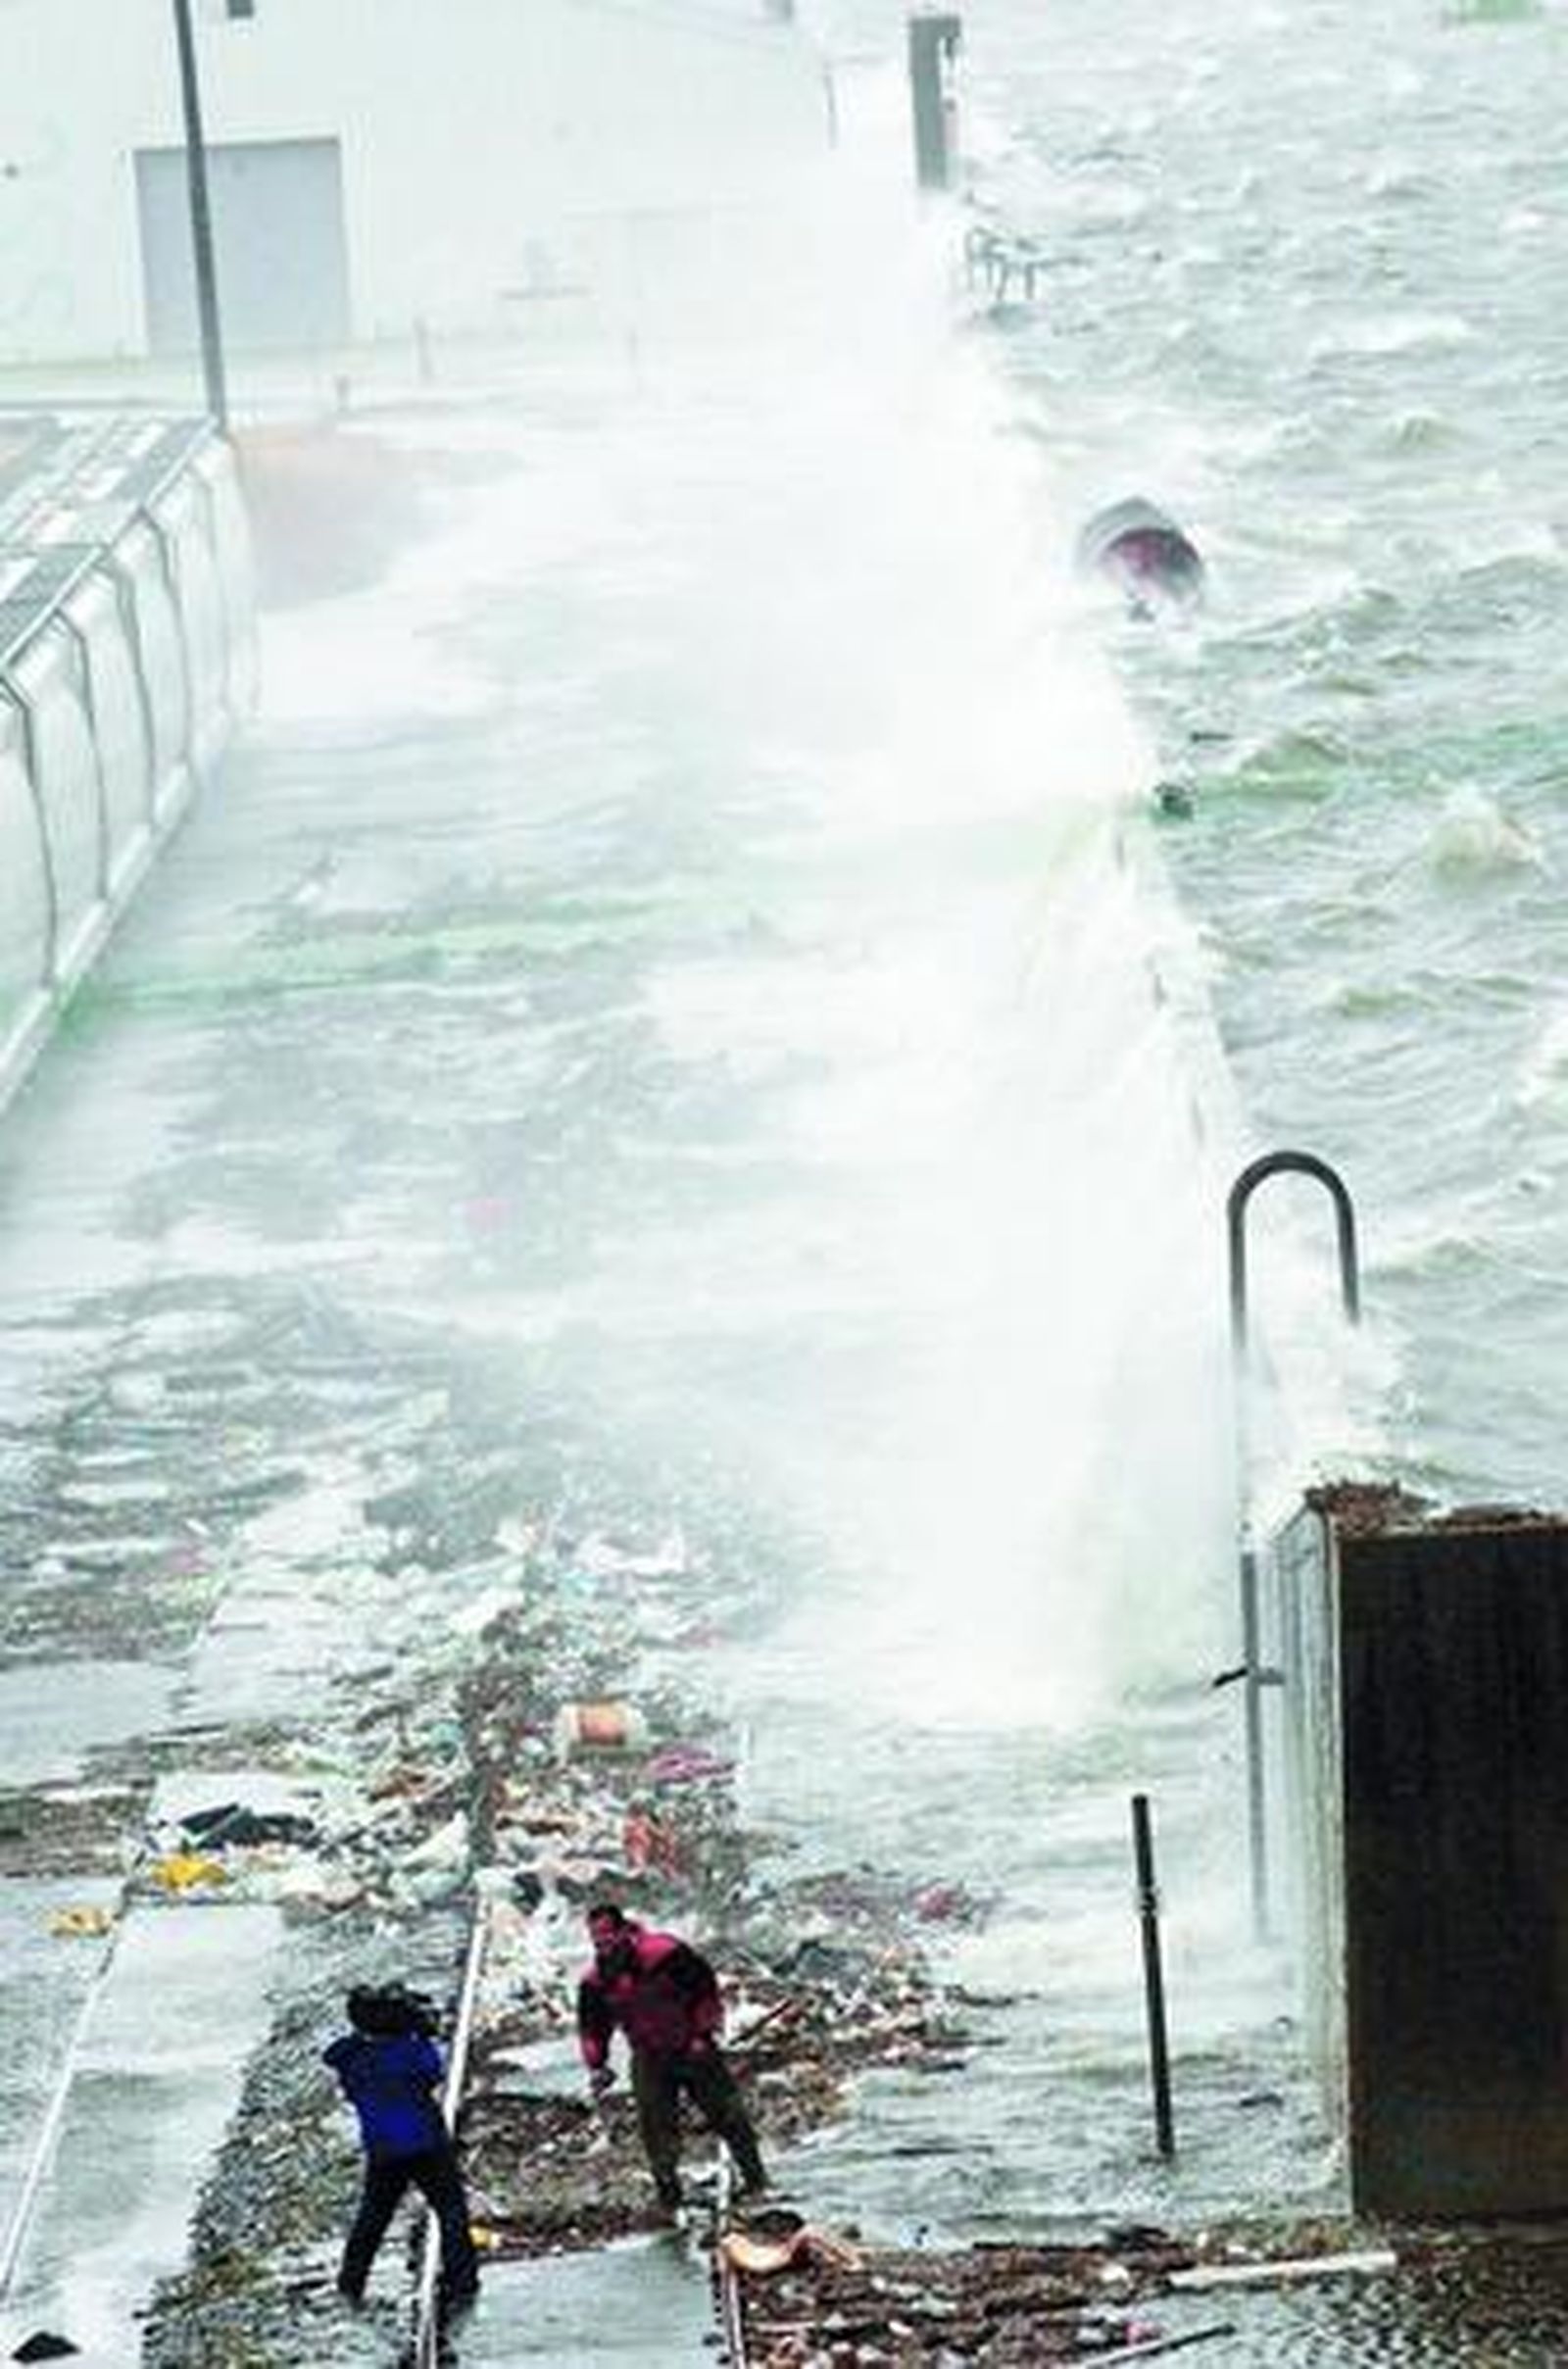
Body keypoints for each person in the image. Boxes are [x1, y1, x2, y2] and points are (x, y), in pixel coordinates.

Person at [576, 1901, 767, 2215]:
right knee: (656, 2129)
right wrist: (597, 2064)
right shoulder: (595, 1982)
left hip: (692, 2047)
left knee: (728, 2115)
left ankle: (756, 2179)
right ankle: (669, 2196)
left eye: (609, 1940)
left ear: (624, 1931)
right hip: (649, 2057)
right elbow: (592, 2028)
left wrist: (702, 2033)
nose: (605, 1948)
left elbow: (704, 1988)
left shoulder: (665, 1953)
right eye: (598, 1943)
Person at [323, 1983, 479, 2311]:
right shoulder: (409, 2050)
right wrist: (419, 2035)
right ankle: (462, 2280)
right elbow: (432, 2073)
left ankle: (351, 2282)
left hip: (383, 2149)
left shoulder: (352, 2058)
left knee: (373, 2217)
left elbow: (350, 2084)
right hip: (425, 2142)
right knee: (450, 2209)